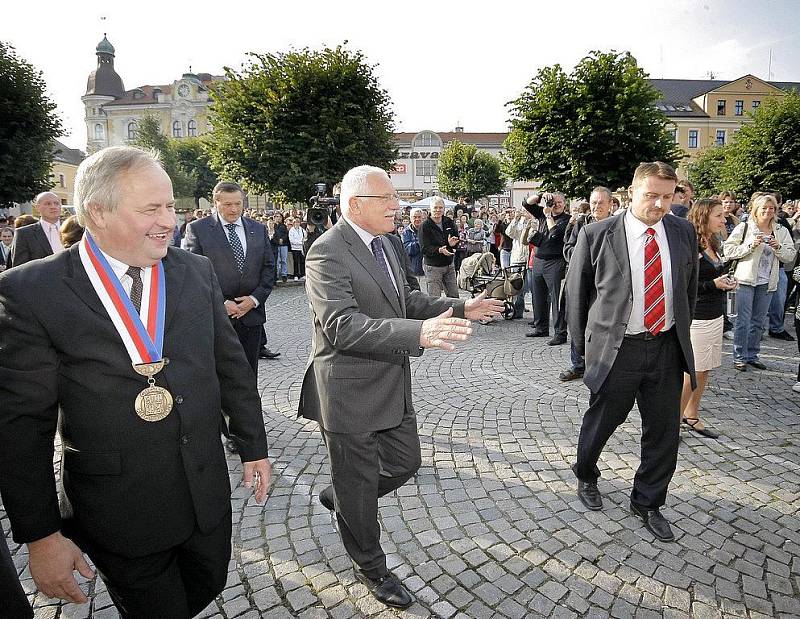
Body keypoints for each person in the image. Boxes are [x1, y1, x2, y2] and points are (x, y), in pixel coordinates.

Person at [0, 146, 272, 618]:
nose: (169, 220)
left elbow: (230, 367)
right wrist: (41, 535)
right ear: (96, 213)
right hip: (117, 508)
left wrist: (253, 444)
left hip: (204, 493)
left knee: (205, 584)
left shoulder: (194, 271)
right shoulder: (30, 291)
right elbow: (23, 425)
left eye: (169, 205)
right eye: (151, 209)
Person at [299, 165, 503, 609]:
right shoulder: (326, 252)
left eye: (396, 198)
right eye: (387, 199)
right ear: (354, 205)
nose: (398, 206)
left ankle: (343, 499)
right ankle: (372, 568)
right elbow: (340, 326)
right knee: (359, 485)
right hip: (347, 391)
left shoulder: (389, 244)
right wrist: (417, 334)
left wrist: (461, 306)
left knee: (405, 463)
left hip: (391, 380)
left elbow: (407, 300)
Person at [567, 161, 698, 543]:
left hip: (665, 347)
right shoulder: (597, 234)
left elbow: (685, 291)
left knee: (663, 431)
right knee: (602, 420)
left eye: (667, 196)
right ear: (632, 191)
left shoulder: (682, 231)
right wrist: (582, 353)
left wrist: (681, 338)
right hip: (617, 349)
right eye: (651, 195)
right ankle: (586, 473)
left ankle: (648, 501)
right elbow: (576, 297)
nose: (660, 204)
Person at [184, 181, 276, 372]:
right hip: (217, 318)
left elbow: (269, 269)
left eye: (238, 204)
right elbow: (193, 274)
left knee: (249, 374)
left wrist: (254, 299)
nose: (234, 209)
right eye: (227, 204)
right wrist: (222, 303)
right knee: (220, 375)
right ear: (215, 203)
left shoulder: (258, 229)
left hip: (252, 317)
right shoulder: (198, 230)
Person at [680, 199, 738, 439]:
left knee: (705, 370)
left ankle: (691, 414)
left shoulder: (713, 240)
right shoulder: (690, 243)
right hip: (698, 316)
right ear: (704, 216)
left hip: (715, 314)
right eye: (718, 216)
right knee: (692, 370)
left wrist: (723, 280)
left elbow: (711, 274)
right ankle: (673, 420)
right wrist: (713, 284)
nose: (724, 220)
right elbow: (685, 284)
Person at [723, 193, 796, 371]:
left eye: (771, 208)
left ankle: (752, 355)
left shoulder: (781, 231)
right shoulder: (745, 228)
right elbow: (729, 250)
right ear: (756, 209)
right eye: (764, 208)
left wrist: (777, 247)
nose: (768, 211)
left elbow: (790, 256)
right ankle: (739, 356)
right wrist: (750, 245)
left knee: (758, 321)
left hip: (767, 282)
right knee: (743, 320)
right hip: (745, 280)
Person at [559, 187, 613, 381]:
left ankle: (602, 364)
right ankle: (577, 364)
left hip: (605, 285)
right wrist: (583, 257)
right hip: (582, 281)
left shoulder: (617, 226)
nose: (596, 206)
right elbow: (568, 248)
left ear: (610, 204)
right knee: (576, 318)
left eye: (600, 203)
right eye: (593, 203)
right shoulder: (581, 224)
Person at [522, 191, 571, 344]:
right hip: (538, 260)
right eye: (553, 202)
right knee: (538, 297)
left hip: (555, 262)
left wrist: (549, 215)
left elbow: (555, 234)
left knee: (556, 299)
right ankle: (541, 328)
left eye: (559, 202)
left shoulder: (567, 220)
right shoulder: (543, 214)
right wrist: (542, 195)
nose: (555, 205)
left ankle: (560, 333)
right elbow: (527, 204)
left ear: (565, 204)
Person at [10, 192, 64, 267]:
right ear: (37, 207)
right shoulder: (24, 234)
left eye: (56, 203)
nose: (53, 206)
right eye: (48, 204)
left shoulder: (75, 228)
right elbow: (20, 268)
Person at [419, 197, 460, 298]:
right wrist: (439, 250)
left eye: (440, 207)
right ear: (430, 209)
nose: (438, 210)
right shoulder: (425, 226)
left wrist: (452, 244)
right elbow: (424, 248)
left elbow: (456, 240)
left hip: (449, 264)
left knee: (454, 296)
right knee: (434, 299)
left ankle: (454, 314)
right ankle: (437, 314)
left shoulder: (449, 222)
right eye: (435, 207)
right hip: (433, 267)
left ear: (444, 209)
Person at [401, 208, 424, 278]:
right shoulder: (406, 232)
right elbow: (407, 249)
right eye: (415, 217)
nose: (417, 219)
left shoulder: (427, 230)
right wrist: (421, 242)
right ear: (410, 219)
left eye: (419, 217)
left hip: (428, 269)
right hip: (413, 270)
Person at [271, 212, 290, 282]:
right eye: (277, 216)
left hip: (284, 245)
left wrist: (282, 239)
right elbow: (273, 234)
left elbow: (286, 234)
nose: (278, 218)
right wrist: (277, 240)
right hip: (276, 245)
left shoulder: (284, 226)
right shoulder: (273, 226)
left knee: (284, 260)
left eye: (279, 216)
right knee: (277, 261)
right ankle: (277, 274)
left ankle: (284, 274)